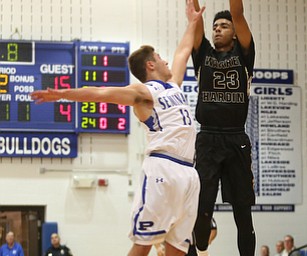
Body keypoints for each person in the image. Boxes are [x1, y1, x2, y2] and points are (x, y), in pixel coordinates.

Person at [31, 1, 205, 255]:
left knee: (178, 247)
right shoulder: (142, 92)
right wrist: (62, 94)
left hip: (189, 171)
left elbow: (183, 51)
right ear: (150, 65)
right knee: (143, 244)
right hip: (163, 169)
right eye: (159, 57)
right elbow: (101, 93)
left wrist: (192, 23)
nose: (166, 60)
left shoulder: (175, 85)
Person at [187, 0, 256, 255]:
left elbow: (238, 13)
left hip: (235, 138)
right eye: (215, 26)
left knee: (243, 211)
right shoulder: (204, 54)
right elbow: (197, 21)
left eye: (224, 26)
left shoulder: (244, 54)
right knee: (202, 206)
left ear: (235, 33)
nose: (217, 29)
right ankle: (201, 250)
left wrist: (234, 15)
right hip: (207, 138)